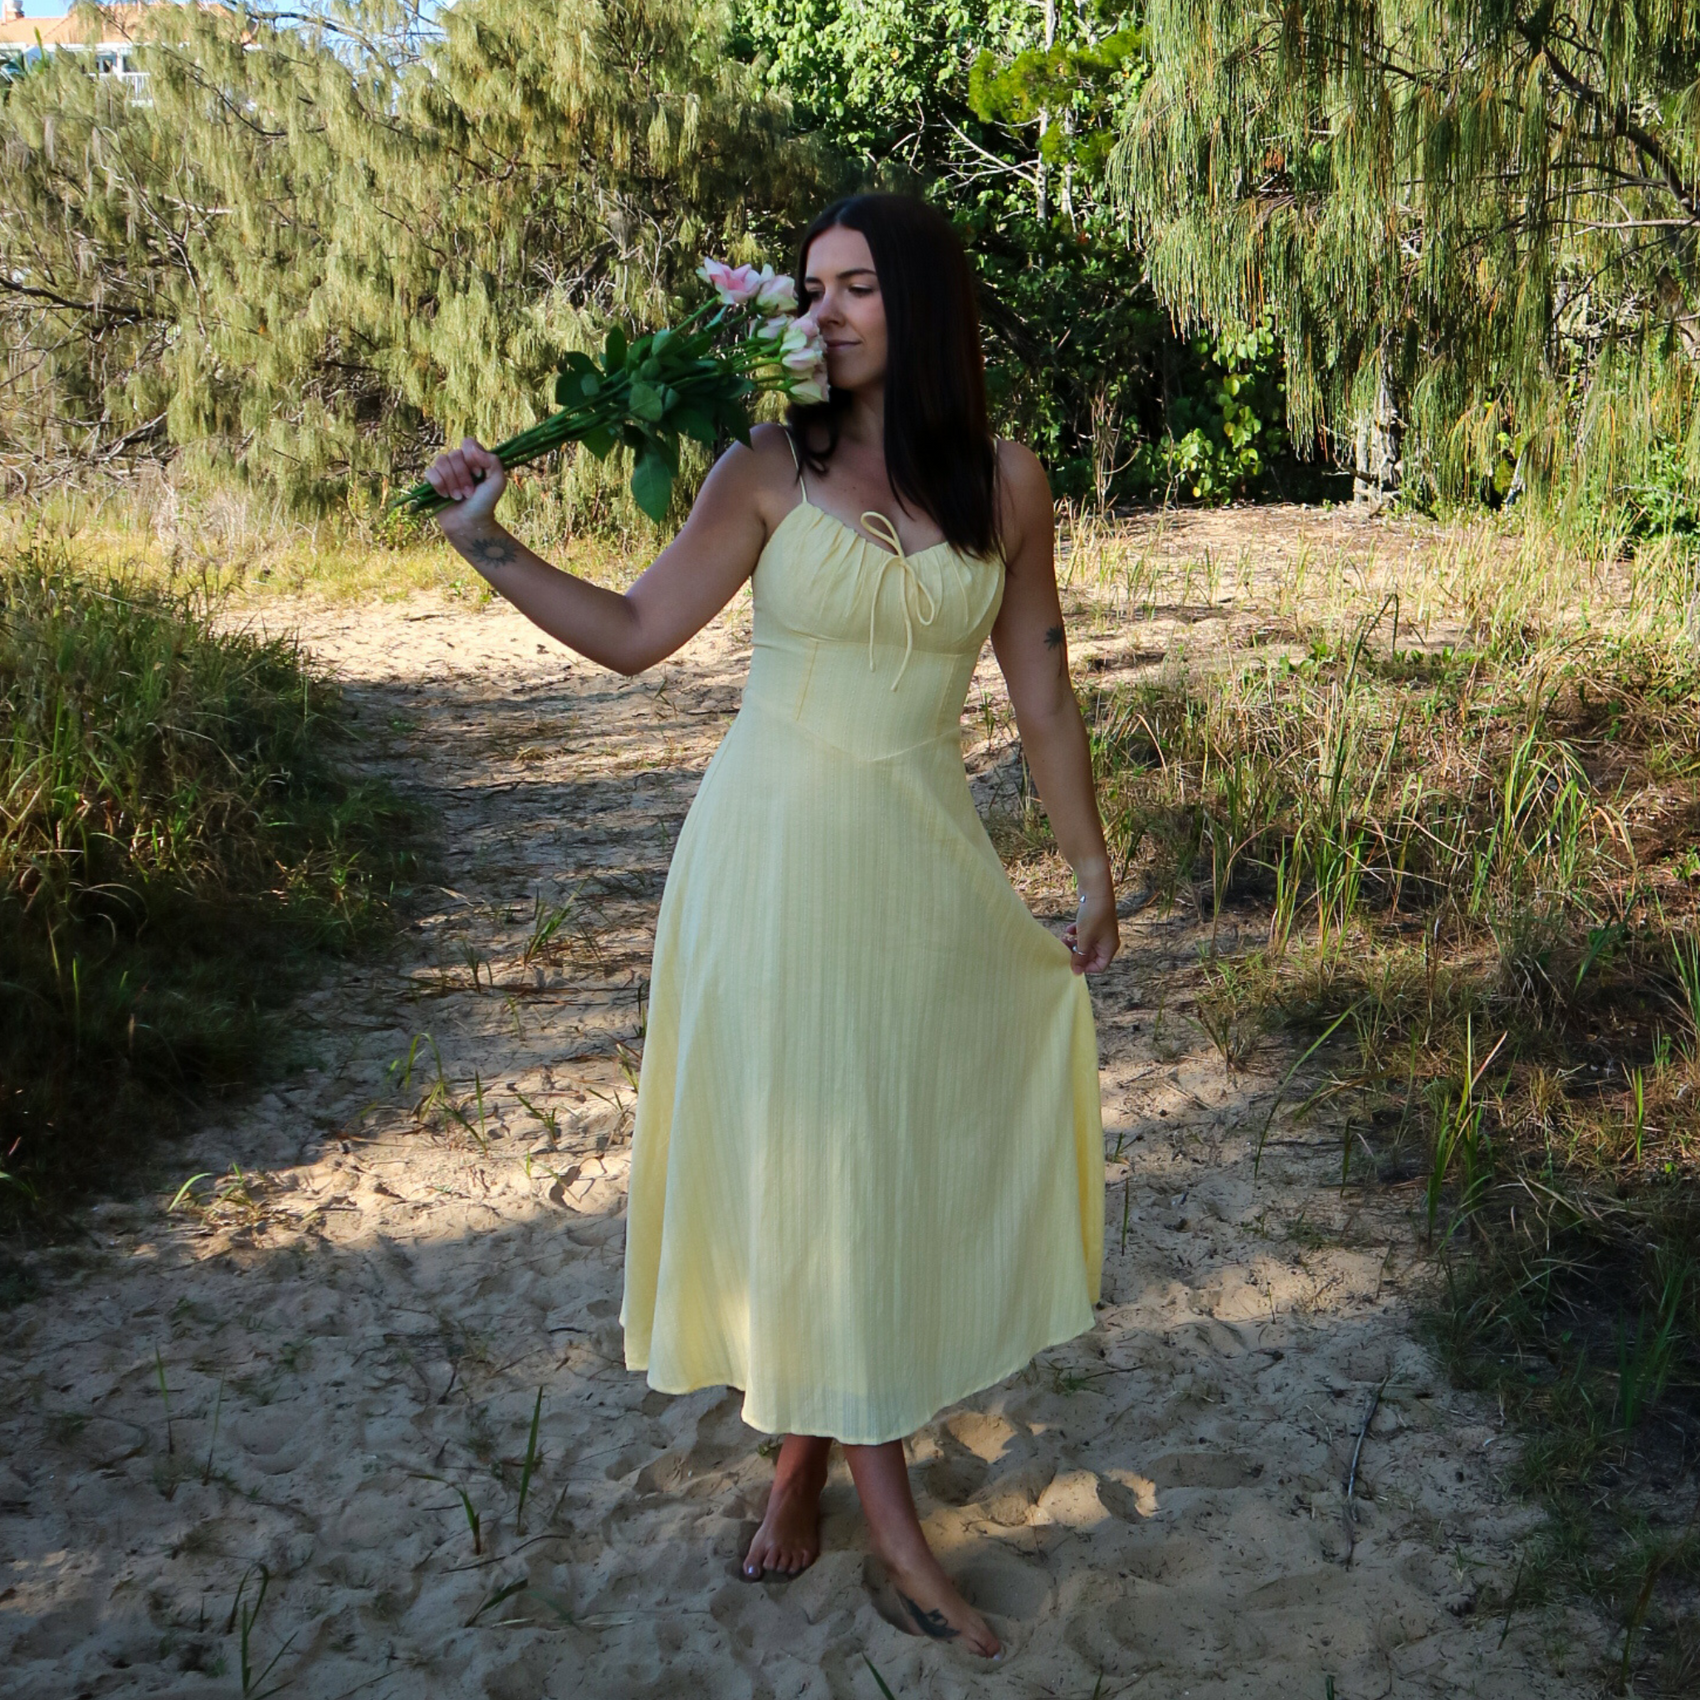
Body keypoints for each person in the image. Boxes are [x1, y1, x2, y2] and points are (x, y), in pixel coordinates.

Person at [424, 192, 1119, 1659]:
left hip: (919, 863)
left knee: (881, 1154)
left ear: (922, 302)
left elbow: (1041, 687)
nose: (828, 315)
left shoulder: (1005, 482)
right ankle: (888, 1520)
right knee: (823, 1157)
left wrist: (1091, 863)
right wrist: (489, 545)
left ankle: (800, 1446)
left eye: (859, 287)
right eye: (810, 291)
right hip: (771, 860)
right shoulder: (763, 466)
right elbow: (628, 634)